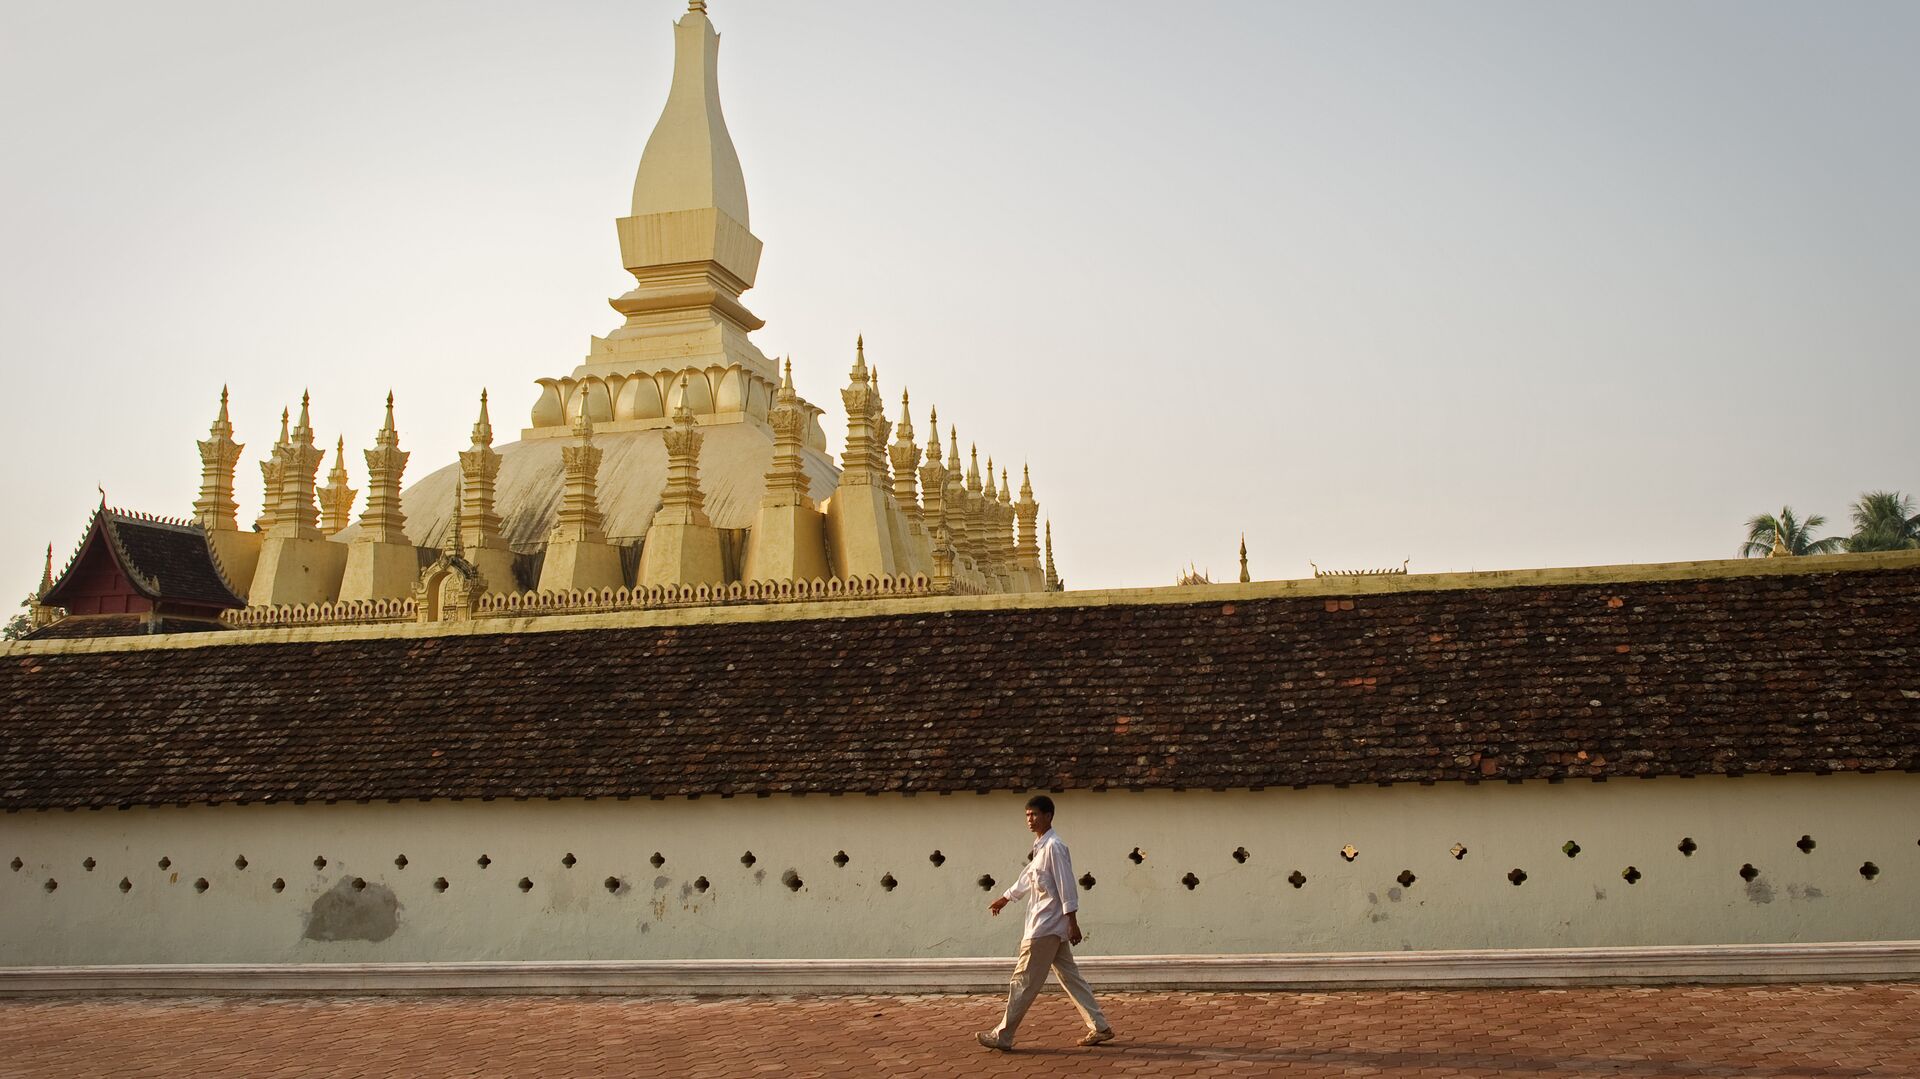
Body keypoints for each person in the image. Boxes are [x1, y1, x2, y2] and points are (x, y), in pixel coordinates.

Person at [976, 795, 1115, 1051]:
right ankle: (1100, 1026)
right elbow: (1028, 878)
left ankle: (1003, 1035)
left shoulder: (1055, 847)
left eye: (1035, 815)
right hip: (1049, 926)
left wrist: (1073, 922)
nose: (1030, 819)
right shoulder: (1040, 846)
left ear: (1049, 816)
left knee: (1022, 980)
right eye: (1028, 815)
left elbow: (1067, 885)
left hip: (1045, 926)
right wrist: (1005, 898)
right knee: (1071, 978)